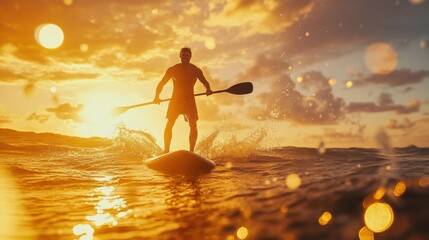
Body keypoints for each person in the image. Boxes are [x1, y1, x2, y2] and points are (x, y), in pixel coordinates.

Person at [153, 47, 212, 153]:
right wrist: (157, 96)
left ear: (190, 57)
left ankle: (191, 152)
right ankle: (166, 150)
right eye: (183, 55)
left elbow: (205, 82)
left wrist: (208, 89)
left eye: (187, 55)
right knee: (170, 123)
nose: (185, 57)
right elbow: (161, 83)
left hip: (189, 101)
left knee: (193, 124)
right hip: (175, 101)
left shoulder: (196, 70)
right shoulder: (172, 69)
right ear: (180, 56)